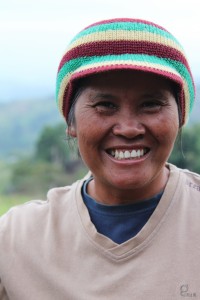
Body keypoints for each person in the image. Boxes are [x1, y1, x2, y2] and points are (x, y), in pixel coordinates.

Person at [0, 18, 198, 300]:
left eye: (151, 104)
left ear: (180, 118)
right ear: (71, 122)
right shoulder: (16, 239)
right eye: (105, 105)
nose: (128, 128)